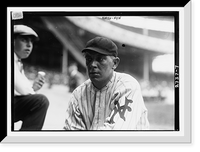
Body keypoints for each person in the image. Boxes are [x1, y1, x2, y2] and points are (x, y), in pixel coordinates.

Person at [64, 36, 149, 130]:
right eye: (89, 59)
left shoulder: (127, 86)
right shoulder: (78, 94)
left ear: (115, 63)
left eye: (100, 59)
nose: (92, 64)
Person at [14, 24, 49, 130]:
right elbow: (22, 88)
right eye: (24, 40)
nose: (29, 45)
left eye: (31, 42)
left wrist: (33, 88)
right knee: (40, 101)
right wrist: (32, 89)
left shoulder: (18, 62)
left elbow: (24, 88)